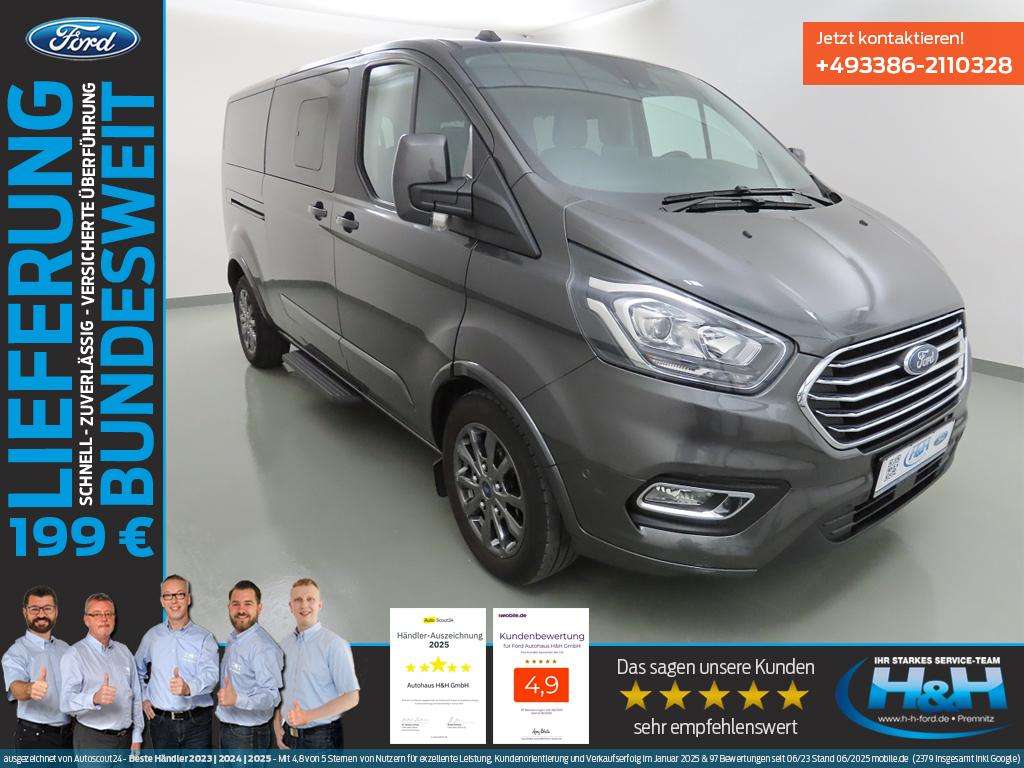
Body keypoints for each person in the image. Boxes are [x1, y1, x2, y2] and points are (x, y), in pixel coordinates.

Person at [135, 575, 219, 748]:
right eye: (168, 595)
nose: (174, 601)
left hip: (197, 724)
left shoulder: (205, 638)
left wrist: (189, 688)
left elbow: (211, 675)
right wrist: (144, 697)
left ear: (188, 599)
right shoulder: (152, 636)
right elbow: (136, 669)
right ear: (162, 601)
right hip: (161, 723)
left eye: (180, 594)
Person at [274, 578, 359, 749]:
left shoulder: (334, 645)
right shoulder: (284, 646)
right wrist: (277, 724)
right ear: (291, 606)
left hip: (322, 740)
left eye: (310, 599)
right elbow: (280, 691)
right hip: (288, 737)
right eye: (298, 600)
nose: (304, 605)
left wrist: (308, 716)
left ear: (320, 604)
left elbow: (351, 697)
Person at [59, 593, 143, 750]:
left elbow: (136, 696)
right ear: (86, 620)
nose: (104, 618)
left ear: (114, 618)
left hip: (126, 740)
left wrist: (137, 735)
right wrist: (94, 698)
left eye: (108, 614)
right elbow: (65, 703)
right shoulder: (75, 654)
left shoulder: (124, 652)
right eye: (97, 614)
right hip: (93, 741)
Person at [2, 586, 72, 749]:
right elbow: (16, 688)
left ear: (56, 611)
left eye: (47, 608)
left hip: (69, 735)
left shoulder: (66, 648)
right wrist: (30, 689)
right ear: (25, 612)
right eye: (34, 609)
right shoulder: (16, 652)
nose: (41, 614)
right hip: (35, 738)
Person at [216, 580, 283, 749]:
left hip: (248, 736)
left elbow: (271, 696)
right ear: (229, 607)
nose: (241, 610)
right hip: (230, 730)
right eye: (236, 604)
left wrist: (237, 699)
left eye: (248, 604)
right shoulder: (236, 638)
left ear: (259, 608)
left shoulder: (263, 647)